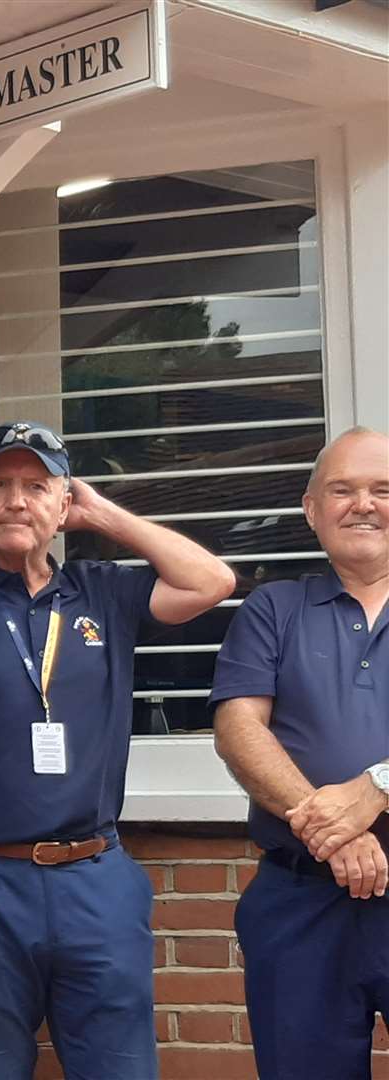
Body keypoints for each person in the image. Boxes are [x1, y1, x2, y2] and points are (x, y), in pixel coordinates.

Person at [0, 420, 236, 1080]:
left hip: (95, 878)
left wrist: (103, 513)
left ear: (62, 503)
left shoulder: (103, 591)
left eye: (36, 485)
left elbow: (212, 581)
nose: (17, 500)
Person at [211, 425, 389, 1079]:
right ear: (312, 509)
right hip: (300, 900)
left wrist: (375, 788)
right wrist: (333, 830)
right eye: (341, 489)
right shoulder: (272, 610)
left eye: (382, 489)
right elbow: (238, 730)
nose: (362, 504)